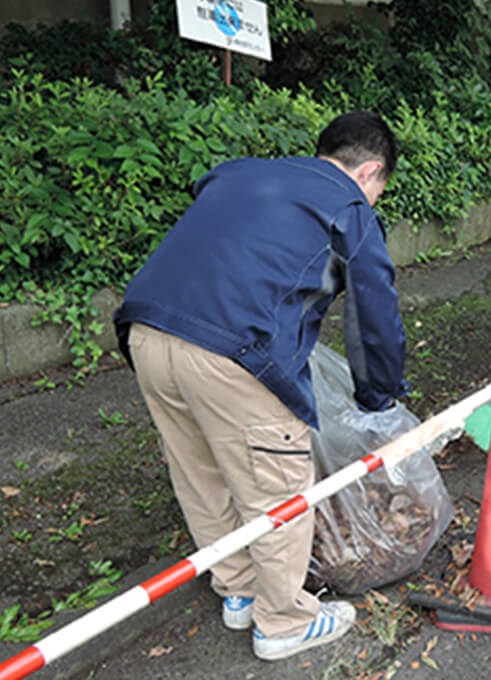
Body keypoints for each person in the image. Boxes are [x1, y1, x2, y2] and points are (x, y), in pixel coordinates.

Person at [112, 112, 409, 661]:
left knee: (201, 471)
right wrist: (378, 396)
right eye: (379, 190)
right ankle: (283, 622)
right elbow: (374, 319)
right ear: (370, 172)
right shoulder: (349, 208)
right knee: (277, 488)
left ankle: (238, 591)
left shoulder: (239, 174)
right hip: (234, 352)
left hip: (147, 332)